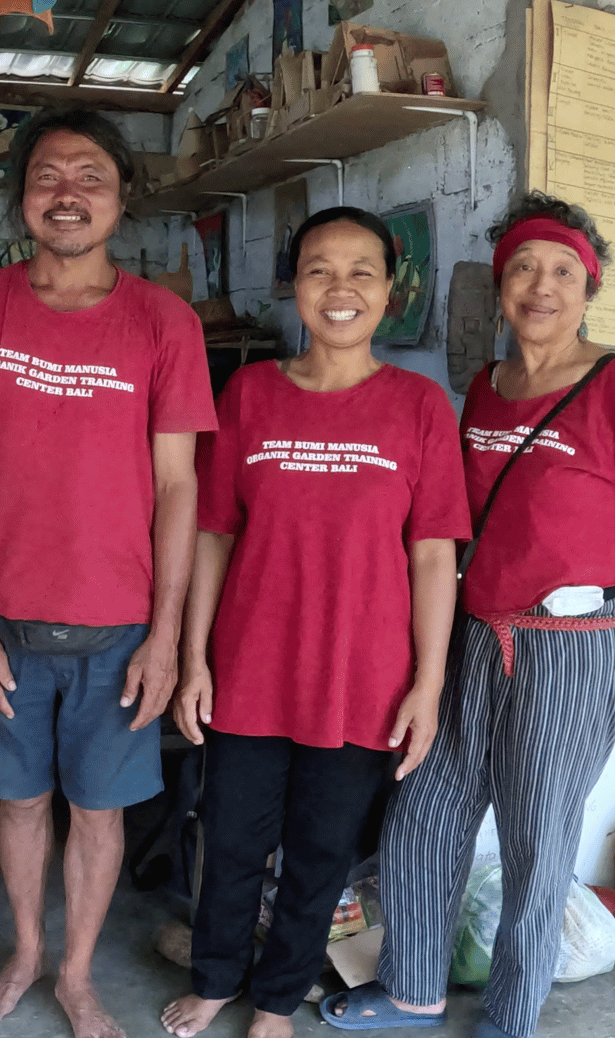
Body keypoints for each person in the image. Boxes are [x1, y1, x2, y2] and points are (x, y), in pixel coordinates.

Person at [324, 192, 615, 1038]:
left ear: (588, 287)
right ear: (501, 286)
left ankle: (511, 1015)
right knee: (424, 811)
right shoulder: (485, 388)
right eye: (525, 269)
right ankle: (413, 988)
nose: (542, 287)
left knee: (538, 840)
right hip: (472, 636)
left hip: (572, 647)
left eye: (563, 272)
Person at [0, 109, 217, 1038]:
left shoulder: (164, 324)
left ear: (121, 199)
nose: (68, 193)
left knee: (97, 813)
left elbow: (179, 489)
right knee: (19, 804)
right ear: (22, 197)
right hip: (5, 627)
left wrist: (167, 637)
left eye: (90, 175)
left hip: (120, 631)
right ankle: (25, 951)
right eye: (48, 175)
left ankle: (76, 975)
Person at [162, 208, 467, 1038]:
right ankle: (218, 977)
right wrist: (194, 659)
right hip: (251, 667)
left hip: (361, 680)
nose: (341, 289)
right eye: (320, 270)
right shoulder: (250, 394)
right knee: (229, 842)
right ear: (294, 287)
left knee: (320, 858)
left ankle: (275, 1000)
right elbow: (214, 534)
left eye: (362, 270)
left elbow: (434, 555)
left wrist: (428, 684)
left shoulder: (420, 406)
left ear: (392, 288)